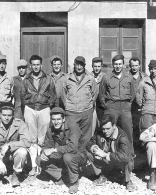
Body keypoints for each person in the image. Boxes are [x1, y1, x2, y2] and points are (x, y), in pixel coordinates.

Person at [62, 56, 97, 192]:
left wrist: (88, 106)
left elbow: (94, 94)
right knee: (73, 141)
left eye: (82, 64)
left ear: (84, 65)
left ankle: (83, 167)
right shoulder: (67, 78)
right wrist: (69, 106)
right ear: (74, 64)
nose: (79, 67)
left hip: (86, 112)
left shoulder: (90, 79)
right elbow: (63, 95)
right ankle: (73, 179)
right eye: (77, 64)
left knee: (86, 140)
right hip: (71, 113)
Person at [0, 102, 30, 187]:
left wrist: (10, 145)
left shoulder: (20, 123)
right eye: (4, 115)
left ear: (13, 115)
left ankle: (16, 174)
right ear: (0, 114)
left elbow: (27, 142)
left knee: (22, 152)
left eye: (9, 115)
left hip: (12, 154)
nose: (6, 118)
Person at [21, 55, 56, 176]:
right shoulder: (26, 79)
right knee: (32, 138)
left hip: (44, 109)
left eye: (38, 64)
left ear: (41, 65)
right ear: (31, 65)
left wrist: (46, 104)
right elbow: (23, 94)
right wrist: (29, 102)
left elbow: (53, 94)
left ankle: (41, 165)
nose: (36, 67)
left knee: (42, 138)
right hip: (30, 108)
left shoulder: (48, 78)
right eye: (33, 64)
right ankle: (33, 166)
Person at [36, 107, 82, 194]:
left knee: (67, 157)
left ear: (64, 119)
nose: (56, 122)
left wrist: (54, 149)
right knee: (39, 159)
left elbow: (73, 148)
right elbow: (46, 146)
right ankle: (60, 176)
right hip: (62, 154)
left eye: (58, 119)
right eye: (53, 119)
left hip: (78, 155)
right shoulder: (50, 130)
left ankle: (74, 182)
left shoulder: (73, 127)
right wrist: (44, 152)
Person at [86, 114, 136, 192]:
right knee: (89, 153)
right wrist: (95, 148)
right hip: (108, 161)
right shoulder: (100, 132)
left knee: (127, 159)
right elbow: (89, 143)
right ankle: (102, 175)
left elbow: (125, 156)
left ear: (114, 126)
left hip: (120, 161)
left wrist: (105, 154)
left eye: (108, 129)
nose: (105, 131)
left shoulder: (122, 137)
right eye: (103, 129)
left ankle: (127, 180)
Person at [99, 54, 135, 154]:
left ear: (123, 64)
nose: (118, 66)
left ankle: (129, 159)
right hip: (111, 107)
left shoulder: (129, 77)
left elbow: (133, 94)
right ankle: (106, 156)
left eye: (120, 64)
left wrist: (127, 105)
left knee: (127, 132)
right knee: (107, 131)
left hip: (125, 108)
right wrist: (107, 105)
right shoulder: (106, 77)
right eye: (115, 64)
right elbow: (101, 95)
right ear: (112, 65)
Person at [128, 57, 147, 145]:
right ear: (130, 66)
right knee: (129, 127)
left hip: (141, 106)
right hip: (129, 106)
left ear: (139, 66)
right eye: (132, 66)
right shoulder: (126, 76)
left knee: (141, 127)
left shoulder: (145, 77)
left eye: (136, 65)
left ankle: (140, 148)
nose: (134, 68)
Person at [91, 57, 106, 135]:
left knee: (102, 125)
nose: (97, 68)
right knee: (92, 126)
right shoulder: (88, 77)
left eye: (98, 66)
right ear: (92, 66)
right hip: (92, 105)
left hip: (101, 106)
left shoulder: (105, 77)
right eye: (95, 66)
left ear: (101, 66)